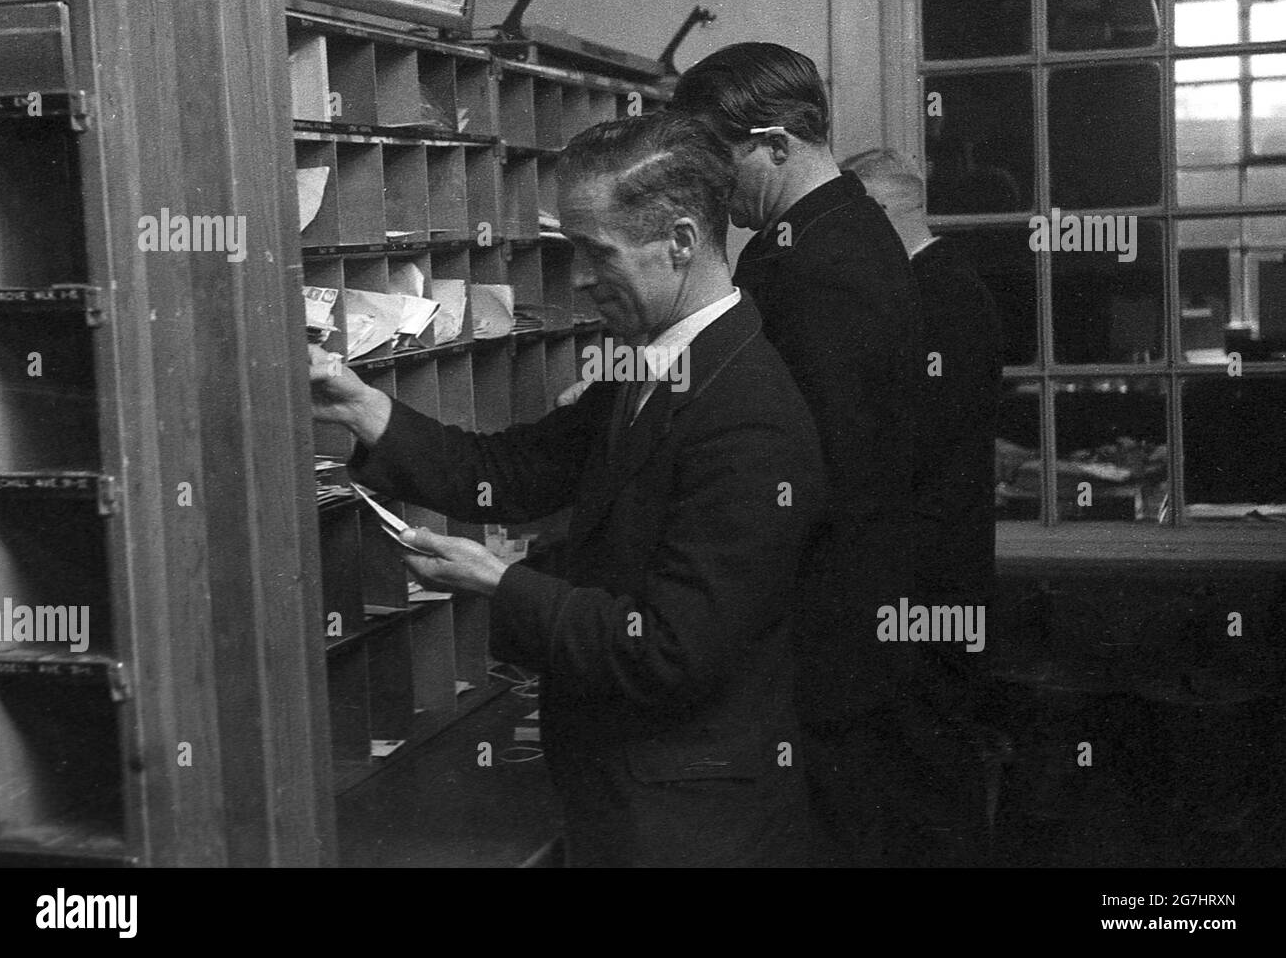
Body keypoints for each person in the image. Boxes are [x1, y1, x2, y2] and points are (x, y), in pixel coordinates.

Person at [308, 112, 826, 868]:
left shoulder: (749, 416)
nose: (579, 278)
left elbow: (671, 650)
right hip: (635, 794)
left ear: (681, 240)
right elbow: (510, 473)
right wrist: (361, 404)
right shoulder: (654, 362)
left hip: (692, 822)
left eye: (595, 252)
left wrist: (500, 581)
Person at [671, 44, 921, 867]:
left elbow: (815, 460)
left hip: (829, 618)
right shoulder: (809, 237)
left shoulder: (827, 261)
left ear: (776, 144)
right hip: (832, 609)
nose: (712, 186)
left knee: (833, 831)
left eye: (719, 162)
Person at [843, 147, 1004, 866]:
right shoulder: (947, 285)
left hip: (928, 575)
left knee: (931, 774)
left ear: (879, 214)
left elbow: (905, 441)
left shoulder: (932, 296)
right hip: (942, 567)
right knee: (927, 768)